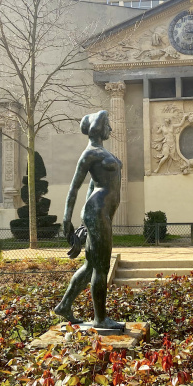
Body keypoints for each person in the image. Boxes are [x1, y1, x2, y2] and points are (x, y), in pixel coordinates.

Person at [53, 110, 124, 330]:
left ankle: (64, 305)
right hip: (98, 210)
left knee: (91, 264)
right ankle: (100, 319)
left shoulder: (101, 152)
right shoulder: (90, 154)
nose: (110, 129)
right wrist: (67, 220)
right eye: (108, 125)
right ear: (99, 127)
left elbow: (91, 186)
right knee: (101, 266)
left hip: (99, 212)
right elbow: (74, 187)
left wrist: (84, 223)